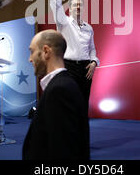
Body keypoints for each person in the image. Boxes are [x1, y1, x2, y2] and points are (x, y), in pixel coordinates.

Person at [22, 30, 90, 160]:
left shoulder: (59, 90)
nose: (30, 59)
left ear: (46, 51)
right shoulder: (61, 86)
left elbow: (64, 153)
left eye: (32, 51)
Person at [48, 0, 100, 110]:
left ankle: (81, 131)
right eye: (75, 5)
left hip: (85, 69)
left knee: (83, 103)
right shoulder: (63, 22)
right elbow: (56, 5)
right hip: (68, 67)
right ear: (69, 9)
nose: (78, 7)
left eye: (80, 5)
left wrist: (94, 62)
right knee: (68, 103)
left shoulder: (89, 28)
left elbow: (92, 49)